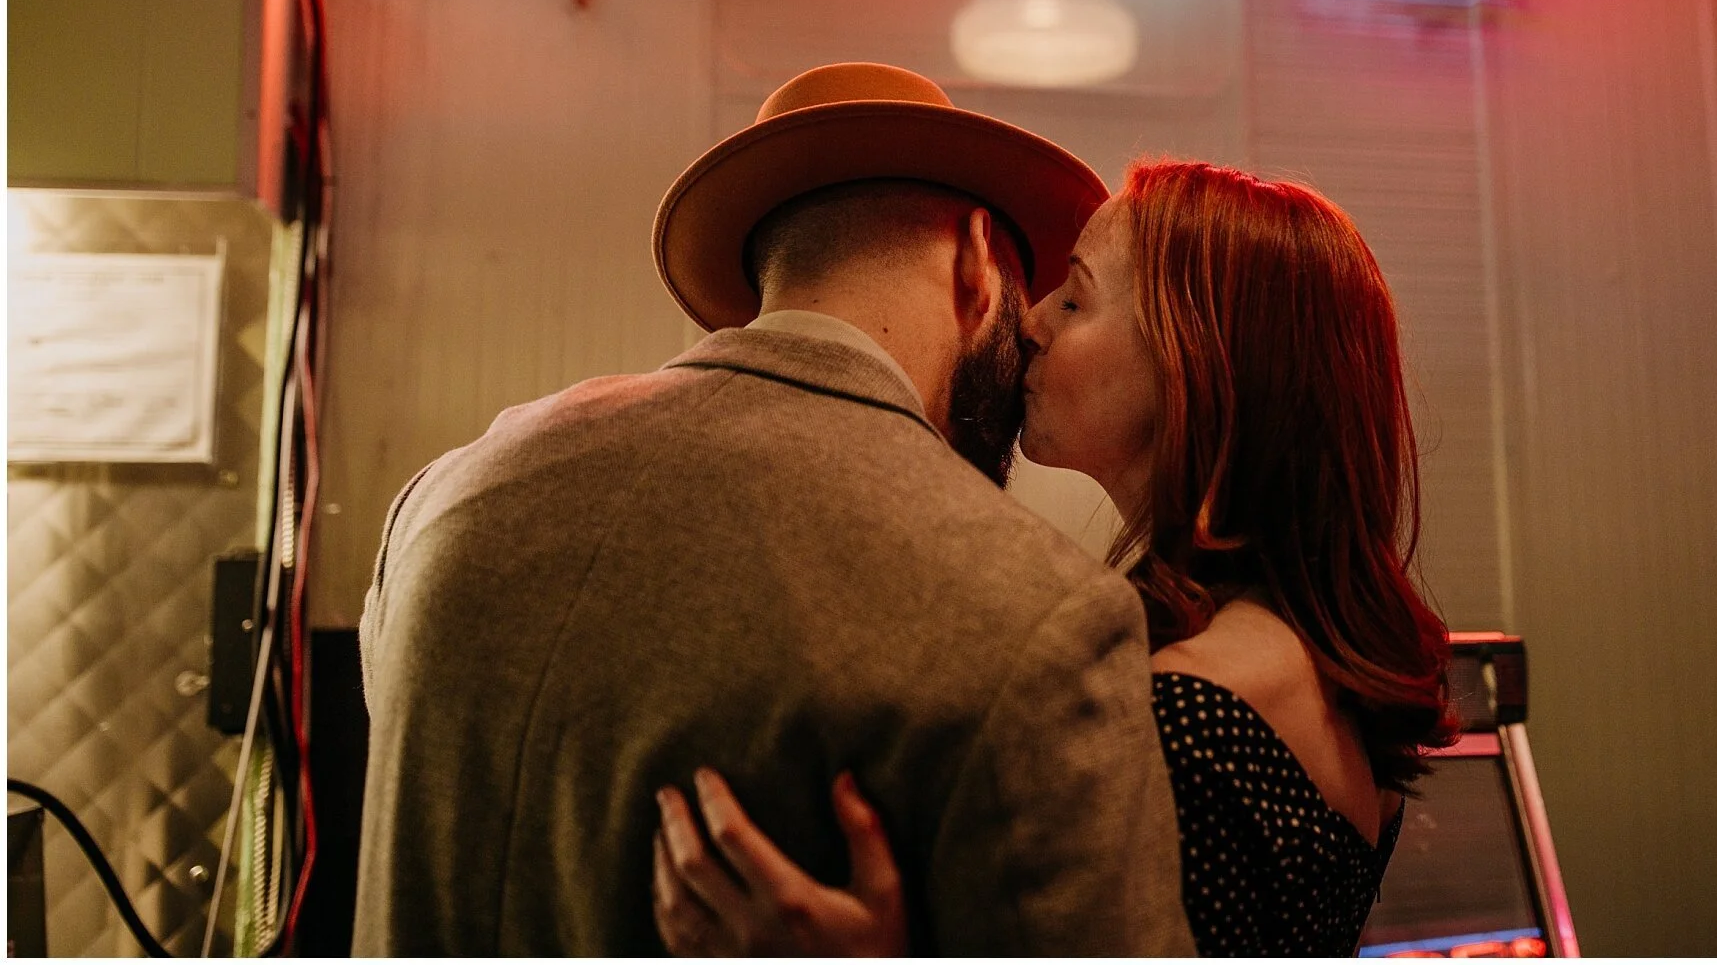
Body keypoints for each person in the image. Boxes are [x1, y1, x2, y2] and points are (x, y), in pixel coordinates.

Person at [352, 63, 1195, 956]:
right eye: (1030, 293)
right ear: (975, 261)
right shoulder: (1042, 612)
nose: (1030, 330)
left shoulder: (440, 501)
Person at [653, 160, 1457, 956]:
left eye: (1074, 298)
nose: (1030, 321)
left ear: (1193, 362)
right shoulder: (1316, 668)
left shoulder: (1188, 719)